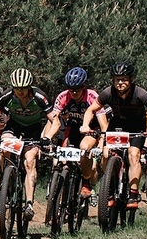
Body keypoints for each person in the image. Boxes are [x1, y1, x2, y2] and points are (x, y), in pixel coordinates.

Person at [85, 61, 147, 210]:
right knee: (105, 153)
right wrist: (85, 125)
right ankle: (108, 189)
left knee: (133, 154)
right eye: (117, 79)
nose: (120, 83)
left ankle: (133, 193)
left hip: (137, 126)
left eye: (124, 79)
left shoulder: (140, 93)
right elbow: (91, 110)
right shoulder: (108, 92)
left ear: (131, 79)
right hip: (117, 125)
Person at [0, 68, 51, 222]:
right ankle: (5, 178)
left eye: (23, 88)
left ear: (29, 86)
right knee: (4, 148)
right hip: (13, 127)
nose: (20, 92)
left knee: (30, 160)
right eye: (17, 88)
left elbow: (54, 120)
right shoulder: (7, 95)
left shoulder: (40, 97)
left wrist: (47, 137)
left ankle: (29, 204)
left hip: (33, 131)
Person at [41, 67, 104, 197]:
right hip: (73, 128)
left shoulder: (93, 97)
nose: (74, 92)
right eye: (71, 89)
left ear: (84, 86)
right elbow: (53, 119)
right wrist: (47, 138)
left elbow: (104, 125)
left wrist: (102, 143)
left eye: (77, 89)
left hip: (91, 129)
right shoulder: (63, 96)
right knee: (63, 158)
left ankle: (86, 181)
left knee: (84, 148)